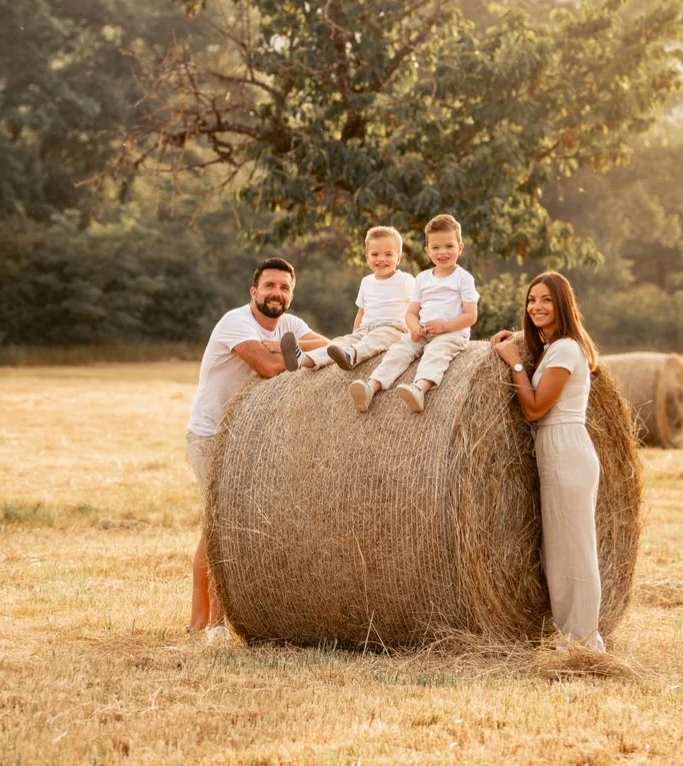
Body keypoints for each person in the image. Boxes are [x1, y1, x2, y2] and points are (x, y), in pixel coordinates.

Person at [184, 258, 329, 642]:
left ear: (291, 294)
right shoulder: (236, 322)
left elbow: (327, 344)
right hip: (211, 435)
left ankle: (205, 620)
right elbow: (267, 366)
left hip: (246, 439)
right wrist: (289, 356)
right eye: (269, 286)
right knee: (219, 524)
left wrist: (290, 345)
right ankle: (209, 622)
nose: (276, 293)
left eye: (284, 288)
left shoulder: (290, 326)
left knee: (222, 524)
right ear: (254, 291)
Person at [490, 271, 606, 652]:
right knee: (559, 552)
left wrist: (515, 364)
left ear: (562, 305)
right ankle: (568, 634)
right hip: (556, 449)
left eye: (546, 300)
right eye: (531, 300)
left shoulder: (568, 349)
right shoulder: (555, 348)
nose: (536, 307)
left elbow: (536, 408)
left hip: (566, 449)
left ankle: (585, 640)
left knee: (576, 549)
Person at [347, 214, 479, 413]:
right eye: (436, 247)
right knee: (398, 351)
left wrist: (445, 326)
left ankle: (419, 389)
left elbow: (471, 316)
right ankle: (371, 387)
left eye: (449, 246)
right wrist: (414, 327)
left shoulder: (463, 278)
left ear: (460, 247)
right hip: (423, 331)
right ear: (428, 251)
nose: (442, 252)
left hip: (452, 333)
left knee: (435, 353)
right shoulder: (423, 278)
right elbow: (411, 313)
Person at [282, 225, 414, 372]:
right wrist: (355, 334)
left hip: (393, 329)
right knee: (339, 342)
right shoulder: (366, 282)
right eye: (375, 254)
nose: (381, 259)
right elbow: (361, 312)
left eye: (388, 254)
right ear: (367, 257)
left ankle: (351, 356)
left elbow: (417, 306)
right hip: (366, 329)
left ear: (399, 258)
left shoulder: (405, 280)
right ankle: (304, 359)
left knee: (373, 341)